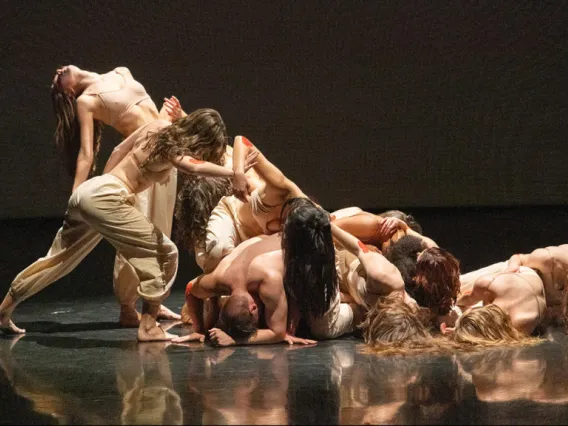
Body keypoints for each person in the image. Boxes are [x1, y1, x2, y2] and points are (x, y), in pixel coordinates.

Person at [0, 109, 257, 341]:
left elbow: (117, 152)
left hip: (92, 191)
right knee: (165, 253)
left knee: (57, 259)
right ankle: (148, 326)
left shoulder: (156, 126)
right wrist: (233, 173)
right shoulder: (174, 148)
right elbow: (192, 165)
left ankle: (3, 311)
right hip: (106, 197)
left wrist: (99, 192)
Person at [50, 64, 183, 325]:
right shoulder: (86, 102)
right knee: (135, 236)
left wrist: (171, 117)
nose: (58, 70)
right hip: (140, 164)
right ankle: (127, 306)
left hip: (165, 157)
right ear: (68, 94)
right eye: (55, 80)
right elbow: (86, 154)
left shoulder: (121, 71)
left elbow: (151, 117)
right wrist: (76, 193)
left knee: (160, 231)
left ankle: (153, 302)